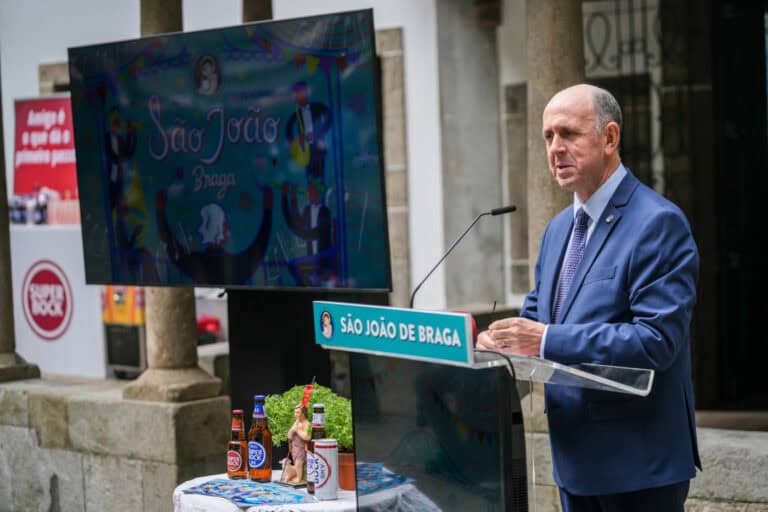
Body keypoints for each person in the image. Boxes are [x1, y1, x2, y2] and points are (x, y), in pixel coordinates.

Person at [477, 84, 701, 512]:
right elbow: (535, 315)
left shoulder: (658, 224)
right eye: (547, 137)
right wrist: (498, 343)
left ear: (610, 138)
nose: (555, 148)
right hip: (573, 460)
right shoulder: (558, 229)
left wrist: (543, 339)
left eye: (568, 134)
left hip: (637, 466)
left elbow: (656, 341)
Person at [155, 186, 273, 285]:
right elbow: (260, 245)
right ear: (218, 228)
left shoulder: (194, 263)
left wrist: (160, 211)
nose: (229, 228)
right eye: (225, 223)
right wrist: (268, 210)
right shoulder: (238, 265)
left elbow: (170, 245)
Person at [281, 179, 334, 285]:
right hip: (312, 262)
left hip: (322, 260)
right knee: (293, 266)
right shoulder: (307, 210)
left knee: (295, 266)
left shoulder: (325, 212)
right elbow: (295, 221)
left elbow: (311, 234)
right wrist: (289, 197)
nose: (310, 194)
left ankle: (311, 285)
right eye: (309, 191)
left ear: (318, 192)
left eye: (313, 191)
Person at [285, 81, 332, 184]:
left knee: (319, 172)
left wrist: (322, 132)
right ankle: (314, 194)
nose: (298, 96)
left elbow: (329, 116)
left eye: (301, 92)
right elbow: (289, 126)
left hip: (318, 146)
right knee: (311, 173)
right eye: (297, 93)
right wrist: (292, 140)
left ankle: (319, 193)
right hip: (306, 148)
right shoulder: (298, 112)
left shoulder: (316, 107)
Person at [285, 405, 311, 483]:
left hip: (302, 447)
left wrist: (298, 431)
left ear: (303, 414)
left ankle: (299, 478)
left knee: (298, 463)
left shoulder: (307, 424)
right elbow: (289, 434)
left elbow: (307, 437)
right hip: (295, 446)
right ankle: (295, 474)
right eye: (295, 413)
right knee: (295, 462)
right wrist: (292, 432)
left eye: (297, 412)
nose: (295, 414)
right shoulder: (296, 422)